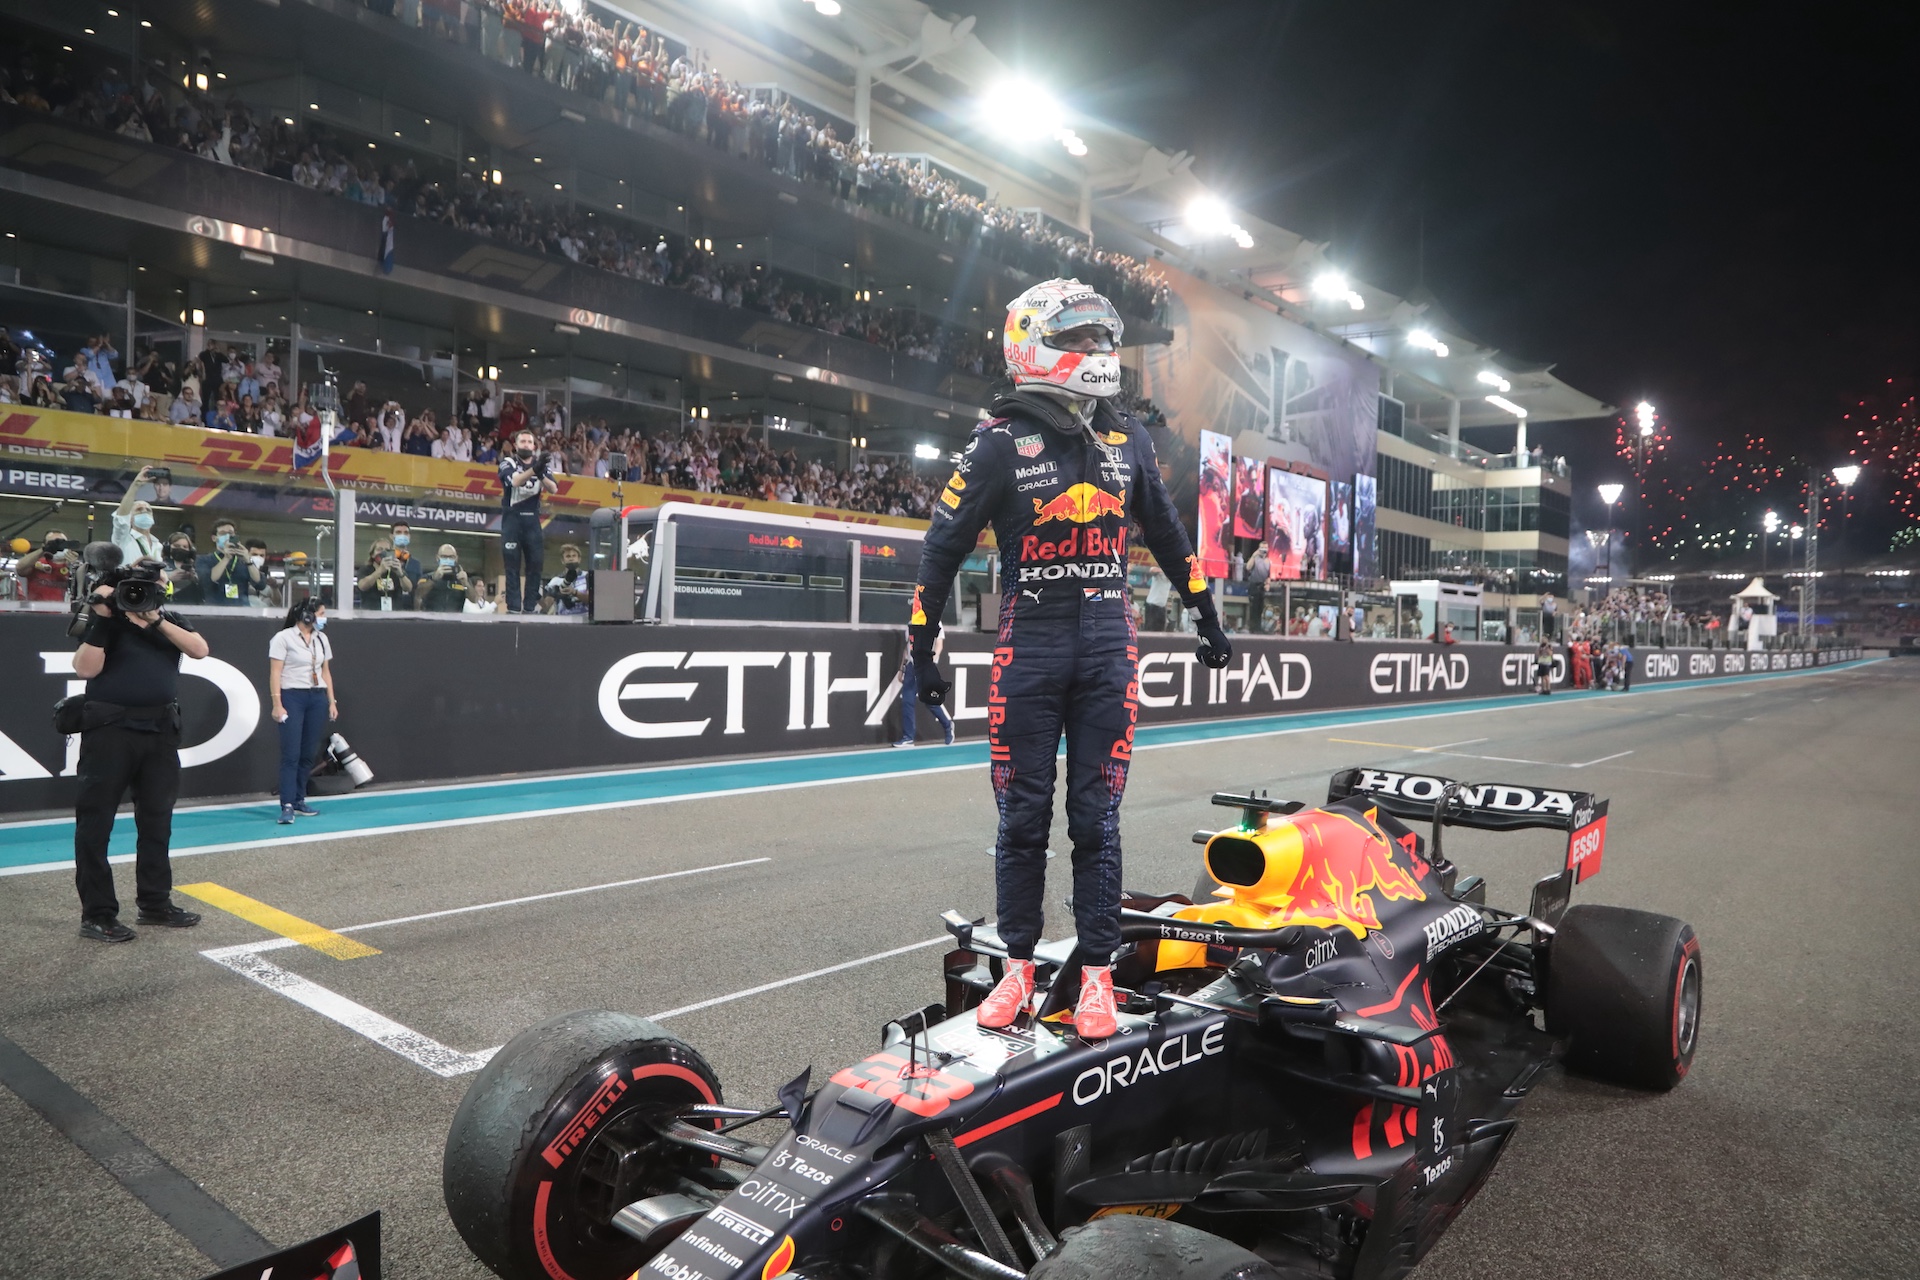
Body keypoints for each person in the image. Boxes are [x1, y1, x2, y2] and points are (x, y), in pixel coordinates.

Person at [909, 278, 1231, 1040]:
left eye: (1100, 338)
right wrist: (920, 652)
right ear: (1034, 344)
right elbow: (939, 550)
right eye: (1079, 339)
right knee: (1021, 821)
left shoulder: (1129, 439)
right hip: (1028, 651)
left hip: (1110, 653)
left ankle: (1095, 977)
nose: (1097, 352)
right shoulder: (996, 443)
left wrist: (1207, 614)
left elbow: (1170, 535)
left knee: (1098, 821)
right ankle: (1017, 970)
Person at [69, 557, 211, 942]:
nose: (149, 593)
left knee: (156, 822)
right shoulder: (107, 621)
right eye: (140, 587)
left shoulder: (169, 619)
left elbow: (200, 650)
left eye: (158, 587)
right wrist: (104, 613)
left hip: (160, 732)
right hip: (110, 732)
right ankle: (98, 914)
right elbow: (84, 669)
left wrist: (155, 618)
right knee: (95, 826)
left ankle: (155, 903)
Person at [268, 599, 336, 824]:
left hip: (316, 697)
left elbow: (326, 672)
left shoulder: (322, 639)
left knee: (308, 753)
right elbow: (275, 673)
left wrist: (331, 701)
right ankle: (286, 804)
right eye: (321, 613)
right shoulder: (283, 638)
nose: (324, 617)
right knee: (291, 754)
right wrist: (277, 703)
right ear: (308, 615)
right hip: (292, 696)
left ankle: (299, 799)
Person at [499, 428, 558, 612]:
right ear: (516, 445)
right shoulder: (508, 462)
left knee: (535, 565)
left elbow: (554, 489)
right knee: (512, 567)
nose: (526, 444)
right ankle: (514, 607)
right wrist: (534, 469)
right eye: (522, 441)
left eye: (529, 442)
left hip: (532, 520)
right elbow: (515, 481)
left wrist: (540, 473)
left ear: (534, 446)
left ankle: (530, 607)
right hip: (512, 520)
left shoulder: (541, 466)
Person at [892, 626, 954, 748]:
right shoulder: (910, 623)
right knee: (907, 701)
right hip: (911, 667)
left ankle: (947, 725)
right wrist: (902, 667)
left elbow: (939, 645)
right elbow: (908, 647)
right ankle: (908, 737)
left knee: (929, 701)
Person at [197, 519, 263, 605]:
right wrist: (226, 558)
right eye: (223, 533)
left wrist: (248, 560)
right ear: (214, 538)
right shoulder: (204, 559)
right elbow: (207, 580)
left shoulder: (243, 561)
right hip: (214, 610)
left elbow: (260, 584)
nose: (227, 536)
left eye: (231, 533)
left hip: (241, 610)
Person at [111, 465, 165, 564]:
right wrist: (136, 485)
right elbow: (121, 517)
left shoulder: (158, 545)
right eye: (139, 509)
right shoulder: (123, 538)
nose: (144, 511)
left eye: (148, 510)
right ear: (130, 518)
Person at [13, 528, 79, 602]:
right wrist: (45, 549)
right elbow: (20, 568)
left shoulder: (72, 567)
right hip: (37, 611)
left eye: (61, 543)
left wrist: (74, 566)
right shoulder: (37, 563)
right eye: (53, 543)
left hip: (63, 611)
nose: (57, 546)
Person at [355, 537, 413, 611]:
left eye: (387, 550)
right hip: (370, 614)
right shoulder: (365, 569)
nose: (383, 553)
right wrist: (380, 570)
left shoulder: (395, 570)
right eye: (379, 549)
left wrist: (400, 573)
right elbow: (362, 586)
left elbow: (408, 588)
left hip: (394, 614)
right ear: (372, 554)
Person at [414, 543, 472, 611]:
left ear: (456, 559)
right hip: (432, 619)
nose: (448, 559)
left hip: (454, 619)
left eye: (451, 557)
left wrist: (466, 584)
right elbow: (418, 594)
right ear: (437, 558)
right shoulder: (428, 577)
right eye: (444, 556)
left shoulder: (461, 578)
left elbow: (474, 600)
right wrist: (433, 579)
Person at [541, 544, 591, 615]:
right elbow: (546, 607)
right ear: (562, 560)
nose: (571, 558)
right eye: (568, 556)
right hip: (563, 620)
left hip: (585, 619)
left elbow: (593, 600)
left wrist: (574, 592)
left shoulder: (587, 576)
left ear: (579, 559)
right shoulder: (556, 580)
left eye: (574, 556)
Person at [1246, 546, 1269, 632]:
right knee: (1254, 608)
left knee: (1260, 608)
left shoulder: (1267, 561)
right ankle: (1253, 628)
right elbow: (1248, 567)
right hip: (1254, 586)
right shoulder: (1255, 558)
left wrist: (1268, 584)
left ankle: (1258, 627)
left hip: (1262, 587)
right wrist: (1254, 555)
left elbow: (1268, 574)